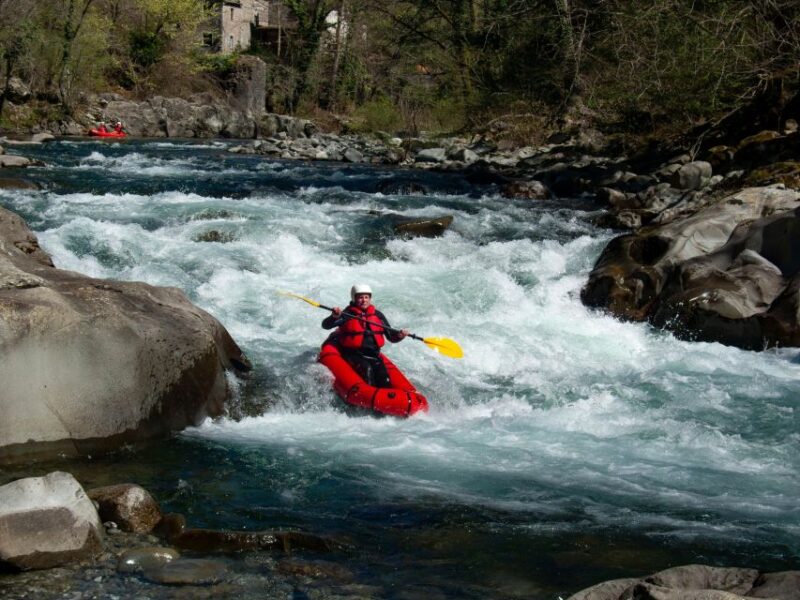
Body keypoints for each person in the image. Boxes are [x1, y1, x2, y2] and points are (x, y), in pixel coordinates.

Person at [322, 284, 408, 388]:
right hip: (353, 355)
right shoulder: (347, 314)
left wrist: (400, 335)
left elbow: (391, 337)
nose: (364, 300)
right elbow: (326, 325)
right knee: (368, 371)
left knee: (385, 379)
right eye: (360, 297)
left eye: (366, 297)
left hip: (374, 356)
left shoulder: (378, 315)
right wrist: (334, 317)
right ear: (354, 298)